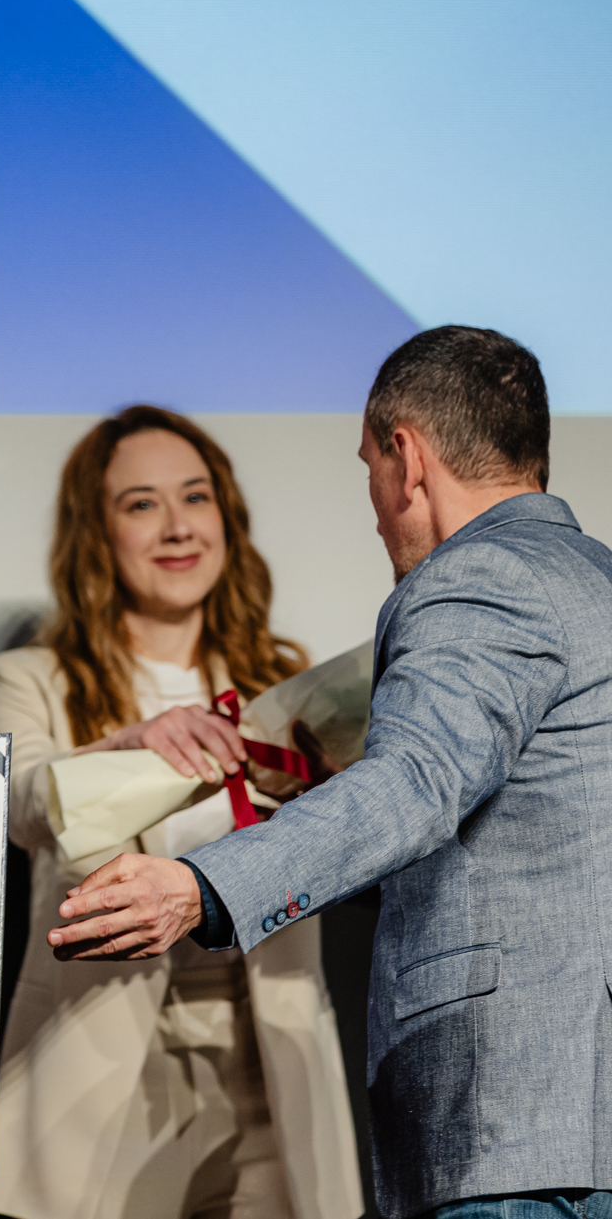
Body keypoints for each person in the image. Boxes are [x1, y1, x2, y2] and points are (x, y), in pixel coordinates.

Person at [51, 328, 612, 1219]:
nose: (376, 508)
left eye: (369, 471)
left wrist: (198, 886)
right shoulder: (595, 581)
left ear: (407, 458)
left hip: (514, 1129)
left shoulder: (477, 578)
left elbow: (414, 783)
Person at [0, 406, 362, 1219]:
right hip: (97, 1063)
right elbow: (17, 804)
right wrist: (128, 742)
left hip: (270, 1058)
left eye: (196, 496)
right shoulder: (29, 677)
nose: (178, 526)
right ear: (97, 532)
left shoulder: (286, 681)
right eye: (142, 503)